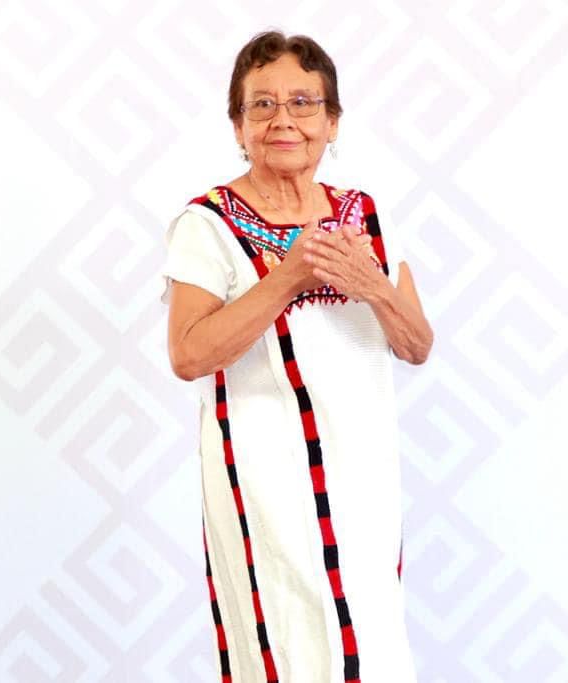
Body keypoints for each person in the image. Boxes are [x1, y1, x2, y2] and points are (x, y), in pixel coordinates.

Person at [160, 30, 433, 682]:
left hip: (363, 484)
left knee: (372, 651)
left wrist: (371, 284)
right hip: (265, 484)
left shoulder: (365, 216)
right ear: (238, 126)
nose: (283, 119)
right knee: (288, 647)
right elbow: (189, 354)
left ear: (331, 122)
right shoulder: (208, 223)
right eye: (262, 105)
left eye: (304, 103)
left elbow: (416, 344)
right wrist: (286, 278)